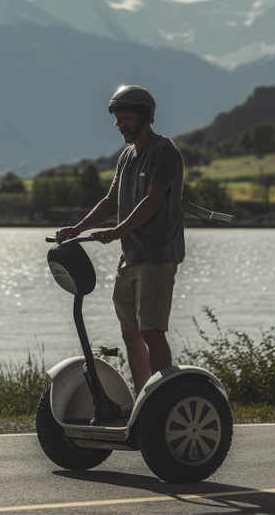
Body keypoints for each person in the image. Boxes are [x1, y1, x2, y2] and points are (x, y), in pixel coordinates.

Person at [56, 85, 185, 396]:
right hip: (130, 257)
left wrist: (116, 233)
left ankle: (162, 398)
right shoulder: (126, 156)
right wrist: (78, 227)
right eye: (117, 119)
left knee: (151, 331)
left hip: (157, 255)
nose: (120, 125)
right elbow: (111, 200)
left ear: (144, 117)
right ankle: (144, 397)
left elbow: (153, 200)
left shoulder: (164, 152)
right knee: (130, 333)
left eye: (126, 118)